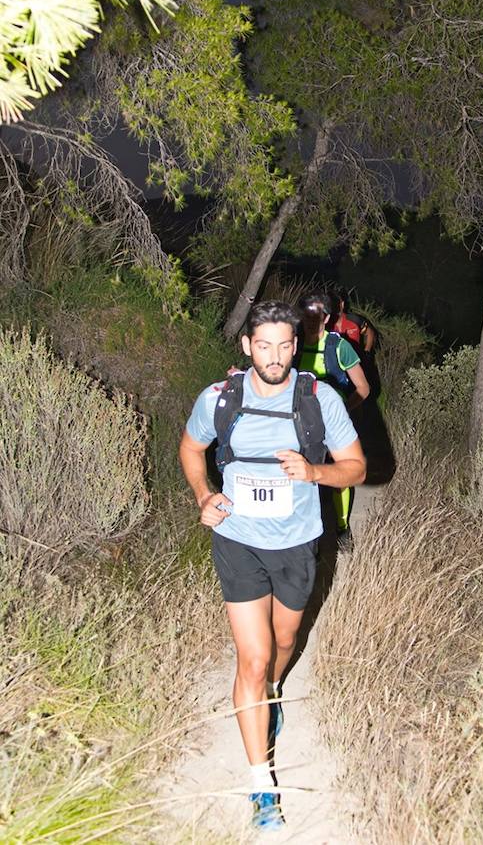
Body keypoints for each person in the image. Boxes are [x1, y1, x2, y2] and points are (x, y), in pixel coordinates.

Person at [179, 301, 366, 831]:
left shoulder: (318, 399)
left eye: (285, 345)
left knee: (283, 645)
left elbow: (356, 469)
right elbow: (192, 449)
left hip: (296, 544)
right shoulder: (220, 399)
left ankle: (274, 690)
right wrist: (203, 496)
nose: (275, 356)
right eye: (264, 345)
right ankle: (262, 787)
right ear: (247, 347)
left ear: (296, 346)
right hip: (238, 540)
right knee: (253, 660)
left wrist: (313, 471)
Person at [296, 291, 370, 540]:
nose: (311, 319)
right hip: (298, 420)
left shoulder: (339, 346)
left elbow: (363, 388)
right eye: (307, 313)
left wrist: (340, 413)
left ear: (327, 318)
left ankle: (341, 528)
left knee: (341, 471)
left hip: (331, 422)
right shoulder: (291, 344)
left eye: (317, 314)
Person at [328, 287, 376, 356]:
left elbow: (370, 332)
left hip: (355, 361)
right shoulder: (325, 323)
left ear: (342, 304)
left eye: (337, 303)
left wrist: (367, 352)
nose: (334, 306)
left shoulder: (354, 320)